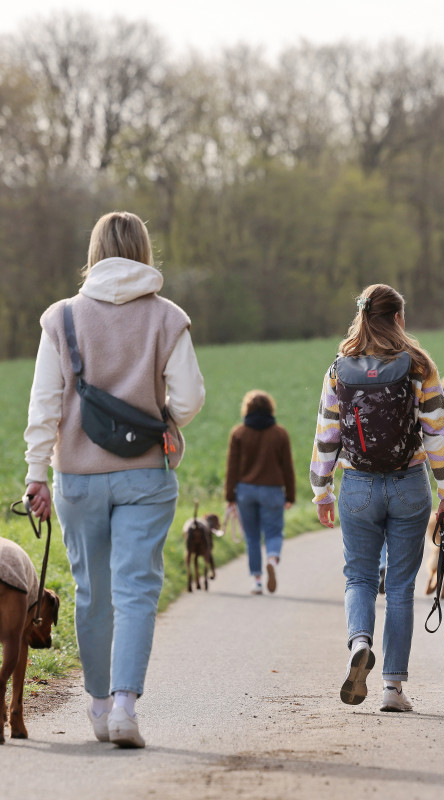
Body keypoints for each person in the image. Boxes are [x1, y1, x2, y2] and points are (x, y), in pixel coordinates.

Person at [23, 211, 205, 749]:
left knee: (92, 591)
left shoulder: (61, 318)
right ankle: (126, 705)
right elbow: (190, 397)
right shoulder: (168, 317)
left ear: (96, 251)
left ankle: (98, 705)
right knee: (138, 588)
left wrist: (36, 473)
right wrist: (168, 420)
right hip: (146, 473)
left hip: (77, 476)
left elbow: (44, 404)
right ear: (145, 252)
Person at [310, 283, 444, 713]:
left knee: (359, 578)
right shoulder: (418, 365)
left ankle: (360, 642)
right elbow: (437, 432)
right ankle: (393, 689)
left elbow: (327, 433)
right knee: (399, 586)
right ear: (398, 318)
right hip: (409, 483)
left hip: (357, 485)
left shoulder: (340, 367)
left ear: (362, 316)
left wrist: (322, 489)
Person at [225, 390, 295, 594]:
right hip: (272, 490)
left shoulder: (238, 433)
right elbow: (287, 467)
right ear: (270, 408)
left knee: (252, 537)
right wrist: (290, 495)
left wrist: (230, 497)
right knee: (273, 532)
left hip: (245, 492)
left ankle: (257, 581)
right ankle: (272, 558)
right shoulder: (280, 433)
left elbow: (232, 468)